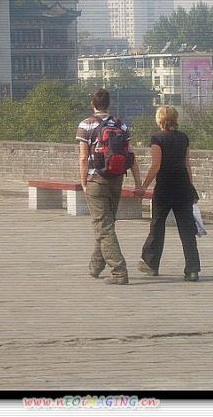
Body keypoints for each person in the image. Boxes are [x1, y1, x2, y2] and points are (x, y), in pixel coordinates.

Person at [76, 88, 144, 285]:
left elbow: (83, 157)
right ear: (109, 103)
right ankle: (96, 265)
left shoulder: (86, 125)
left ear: (93, 104)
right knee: (107, 224)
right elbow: (131, 157)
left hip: (96, 180)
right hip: (116, 179)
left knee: (103, 226)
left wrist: (84, 181)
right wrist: (138, 183)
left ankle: (119, 271)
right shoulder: (121, 125)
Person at [137, 105, 201, 282]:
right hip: (182, 187)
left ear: (160, 120)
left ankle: (151, 263)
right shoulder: (183, 137)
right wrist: (191, 187)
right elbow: (187, 164)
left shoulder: (157, 138)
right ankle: (192, 269)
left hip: (165, 187)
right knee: (187, 229)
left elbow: (156, 165)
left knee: (157, 225)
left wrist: (144, 186)